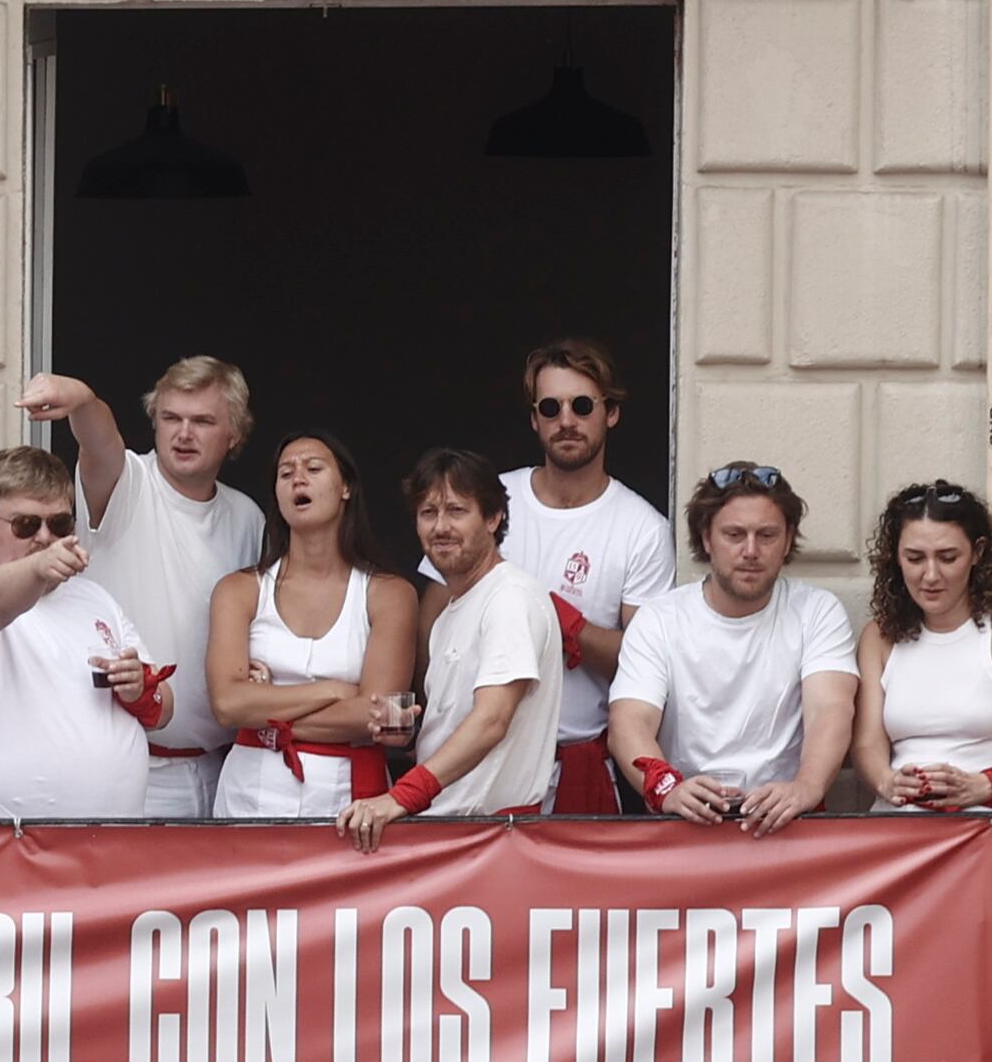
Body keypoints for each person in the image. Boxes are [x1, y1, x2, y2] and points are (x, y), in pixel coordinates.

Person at [16, 356, 262, 815]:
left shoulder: (248, 516)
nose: (183, 433)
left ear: (234, 435)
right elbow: (99, 441)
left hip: (224, 770)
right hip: (135, 771)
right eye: (171, 418)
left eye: (202, 421)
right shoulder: (129, 482)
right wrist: (82, 399)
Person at [607, 461, 855, 833]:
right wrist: (666, 787)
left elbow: (830, 709)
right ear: (707, 538)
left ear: (788, 540)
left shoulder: (817, 611)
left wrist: (807, 786)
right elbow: (629, 721)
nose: (751, 550)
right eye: (734, 535)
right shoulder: (659, 618)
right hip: (686, 825)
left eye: (767, 535)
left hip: (787, 825)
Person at [340, 449, 561, 852]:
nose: (440, 527)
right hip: (454, 838)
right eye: (428, 513)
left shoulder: (509, 597)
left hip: (494, 842)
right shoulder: (451, 612)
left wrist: (401, 796)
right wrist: (411, 735)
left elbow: (492, 720)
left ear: (493, 519)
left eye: (457, 511)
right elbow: (466, 722)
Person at [0, 445, 157, 822]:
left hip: (113, 839)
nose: (45, 537)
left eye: (60, 524)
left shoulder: (97, 598)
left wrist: (141, 689)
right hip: (4, 843)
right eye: (26, 525)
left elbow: (162, 706)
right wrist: (38, 568)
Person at [498, 339, 679, 813]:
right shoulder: (491, 500)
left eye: (582, 405)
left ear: (611, 412)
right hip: (485, 754)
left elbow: (645, 667)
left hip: (581, 764)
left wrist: (561, 621)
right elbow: (434, 626)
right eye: (550, 407)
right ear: (534, 418)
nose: (566, 421)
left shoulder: (643, 528)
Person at [206, 433, 419, 824]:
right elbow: (226, 705)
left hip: (352, 803)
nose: (298, 478)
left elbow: (378, 715)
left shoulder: (389, 593)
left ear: (347, 488)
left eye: (314, 468)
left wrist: (264, 707)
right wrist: (335, 692)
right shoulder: (239, 590)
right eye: (286, 472)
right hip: (249, 796)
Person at [854, 480, 992, 811]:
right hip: (896, 830)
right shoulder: (878, 637)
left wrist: (984, 784)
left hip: (982, 833)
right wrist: (886, 780)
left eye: (948, 558)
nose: (931, 575)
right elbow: (867, 745)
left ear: (977, 553)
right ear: (895, 557)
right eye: (915, 558)